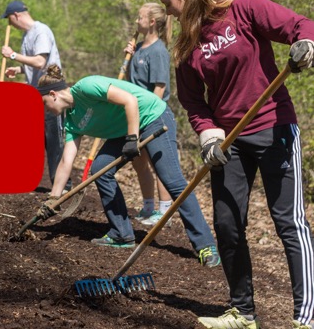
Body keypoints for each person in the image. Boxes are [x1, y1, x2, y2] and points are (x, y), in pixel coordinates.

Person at [155, 0, 314, 329]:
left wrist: (305, 44)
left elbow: (300, 25)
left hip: (274, 128)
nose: (169, 12)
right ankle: (243, 313)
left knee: (289, 222)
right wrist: (208, 133)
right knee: (227, 224)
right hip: (229, 144)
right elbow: (193, 101)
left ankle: (306, 316)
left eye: (170, 3)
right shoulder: (187, 44)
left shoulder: (243, 8)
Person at [38, 64, 220, 269]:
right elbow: (66, 160)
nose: (46, 111)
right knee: (100, 170)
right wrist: (53, 199)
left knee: (172, 179)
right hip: (126, 129)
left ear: (52, 94)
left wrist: (132, 138)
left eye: (44, 104)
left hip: (152, 116)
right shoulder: (71, 121)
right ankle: (121, 233)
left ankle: (206, 245)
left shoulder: (87, 87)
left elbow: (129, 100)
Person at [0, 0, 71, 193]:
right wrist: (20, 68)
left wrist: (13, 55)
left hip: (52, 90)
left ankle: (62, 184)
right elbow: (35, 63)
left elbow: (41, 62)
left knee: (54, 138)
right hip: (36, 92)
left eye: (9, 20)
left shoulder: (41, 31)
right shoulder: (27, 36)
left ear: (16, 15)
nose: (10, 25)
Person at [123, 3, 175, 226]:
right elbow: (129, 83)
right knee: (138, 162)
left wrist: (149, 116)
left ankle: (165, 212)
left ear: (152, 22)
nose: (137, 21)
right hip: (136, 114)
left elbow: (159, 88)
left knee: (158, 162)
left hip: (154, 114)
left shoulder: (158, 51)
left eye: (140, 17)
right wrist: (127, 59)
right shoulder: (140, 47)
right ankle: (148, 207)